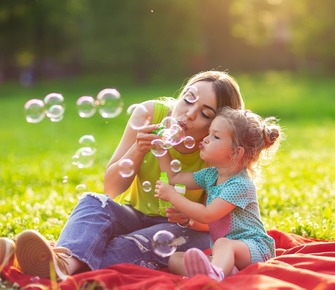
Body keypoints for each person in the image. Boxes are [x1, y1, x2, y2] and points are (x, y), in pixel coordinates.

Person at [0, 71, 245, 281]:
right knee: (93, 202)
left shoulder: (219, 148)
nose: (189, 113)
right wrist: (138, 149)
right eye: (188, 99)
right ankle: (60, 264)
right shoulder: (151, 114)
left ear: (221, 124)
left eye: (205, 114)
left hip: (184, 231)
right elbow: (111, 188)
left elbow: (224, 223)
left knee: (133, 243)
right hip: (134, 214)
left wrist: (189, 218)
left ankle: (50, 263)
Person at [154, 107, 282, 281]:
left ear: (236, 152)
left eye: (215, 136)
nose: (205, 139)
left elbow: (208, 215)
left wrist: (172, 196)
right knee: (175, 259)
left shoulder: (240, 184)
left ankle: (214, 276)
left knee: (223, 244)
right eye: (209, 133)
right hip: (225, 253)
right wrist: (161, 146)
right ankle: (225, 271)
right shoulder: (211, 174)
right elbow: (174, 176)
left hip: (255, 248)